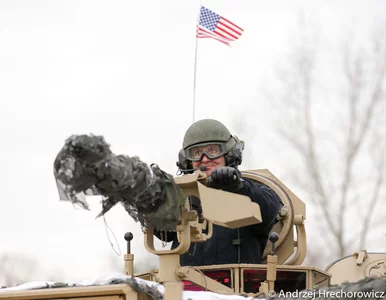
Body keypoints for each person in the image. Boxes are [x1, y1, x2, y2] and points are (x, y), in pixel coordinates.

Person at [155, 119, 282, 266]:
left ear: (229, 154)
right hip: (187, 285)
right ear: (187, 161)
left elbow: (268, 211)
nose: (205, 159)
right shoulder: (181, 199)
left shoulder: (253, 191)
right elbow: (163, 231)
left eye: (213, 151)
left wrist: (237, 187)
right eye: (197, 153)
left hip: (238, 287)